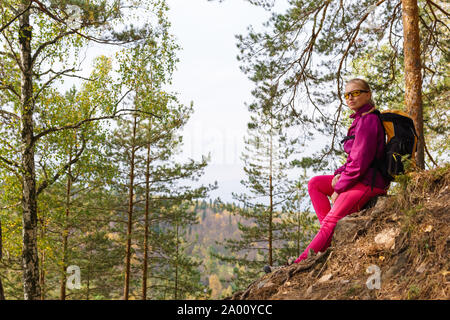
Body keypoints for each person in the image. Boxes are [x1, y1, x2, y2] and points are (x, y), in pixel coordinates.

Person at [294, 78, 391, 264]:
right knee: (315, 184)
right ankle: (329, 238)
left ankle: (300, 262)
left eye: (356, 93)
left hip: (368, 182)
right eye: (347, 95)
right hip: (358, 178)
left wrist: (339, 187)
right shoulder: (359, 120)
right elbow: (353, 158)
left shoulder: (369, 120)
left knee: (331, 221)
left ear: (368, 94)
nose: (350, 98)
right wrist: (339, 173)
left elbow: (361, 163)